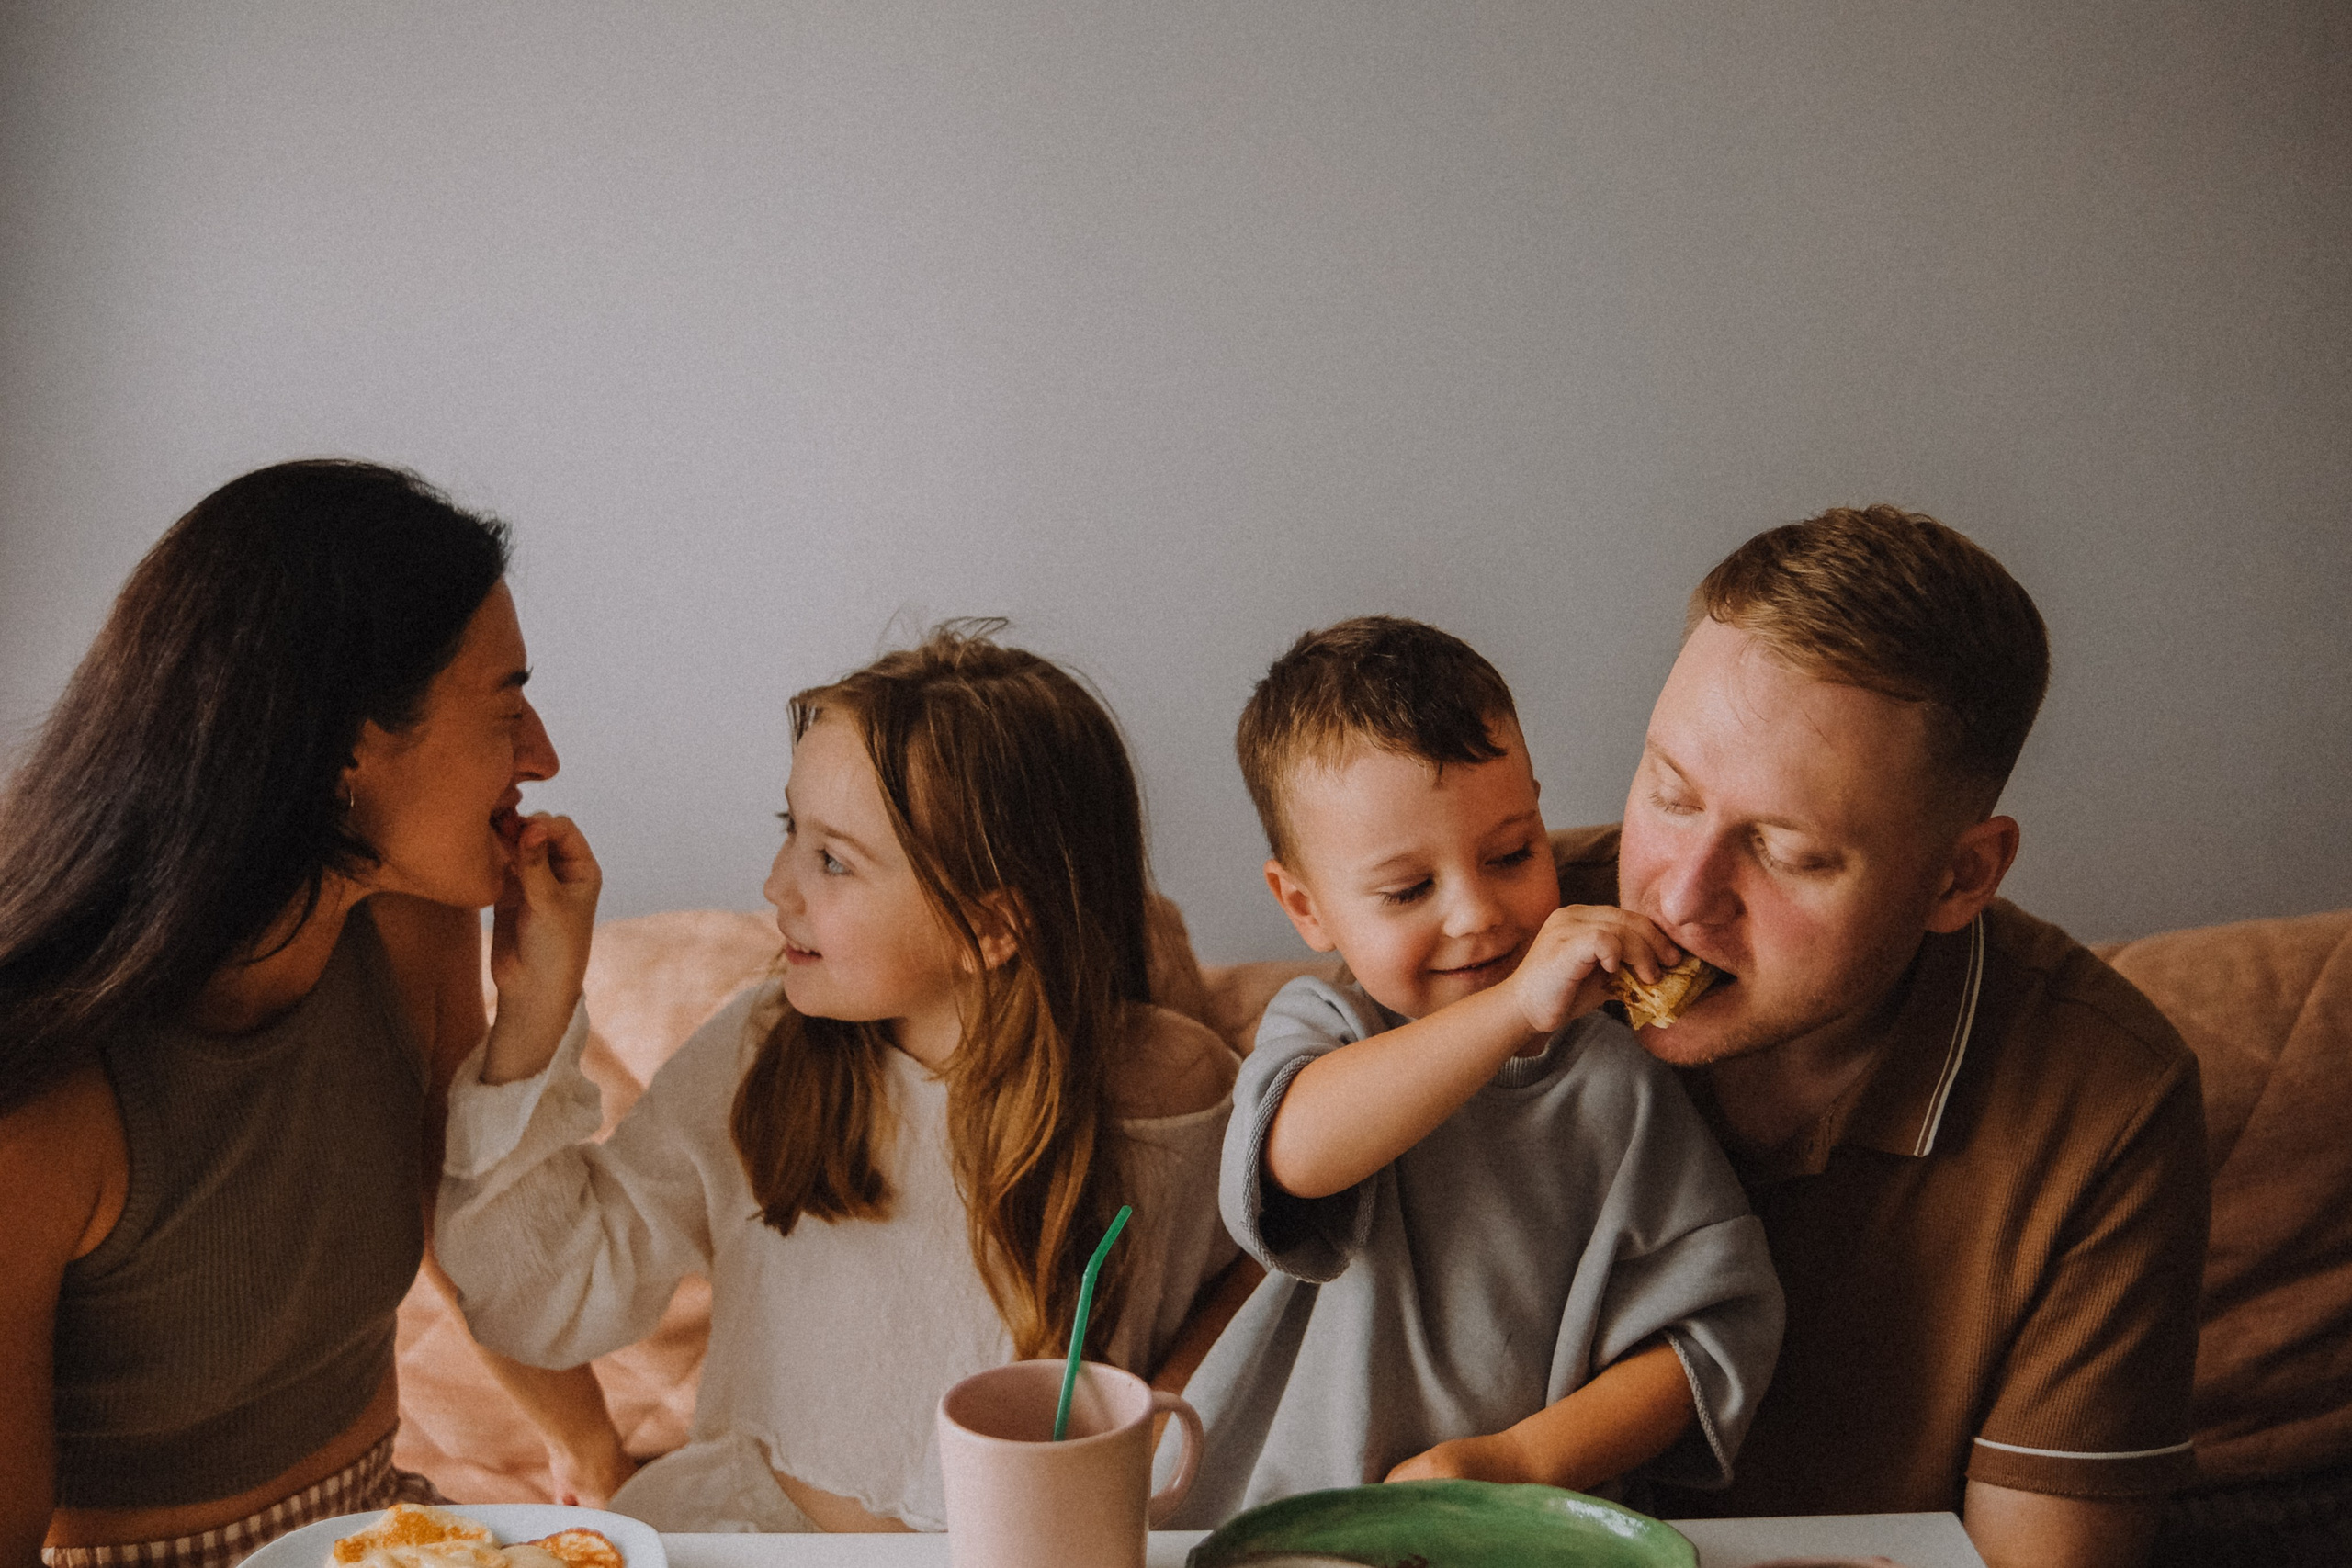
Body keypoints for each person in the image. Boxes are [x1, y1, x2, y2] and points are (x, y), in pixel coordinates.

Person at [434, 625, 1241, 1531]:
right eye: (792, 832)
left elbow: (1257, 1303)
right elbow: (539, 1300)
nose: (777, 885)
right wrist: (536, 1009)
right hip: (743, 1543)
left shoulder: (1172, 1088)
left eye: (832, 859)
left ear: (990, 930)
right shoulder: (759, 1051)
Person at [0, 460, 629, 1568]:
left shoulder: (407, 933)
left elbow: (463, 1232)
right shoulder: (43, 1101)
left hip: (390, 1536)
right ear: (345, 742)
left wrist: (597, 1464)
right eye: (506, 703)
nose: (541, 756)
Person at [1555, 505, 2209, 1568]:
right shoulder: (1474, 941)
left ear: (1960, 877)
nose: (1681, 898)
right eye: (1669, 794)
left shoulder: (2106, 1103)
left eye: (1790, 853)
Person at [1168, 616, 1783, 1524]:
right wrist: (1510, 1011)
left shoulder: (1612, 1076)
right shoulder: (1326, 1028)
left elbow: (1713, 1333)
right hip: (1299, 1519)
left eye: (1510, 855)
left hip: (1534, 1528)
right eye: (1408, 890)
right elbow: (1293, 1156)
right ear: (1306, 906)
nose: (1477, 915)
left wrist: (1516, 1460)